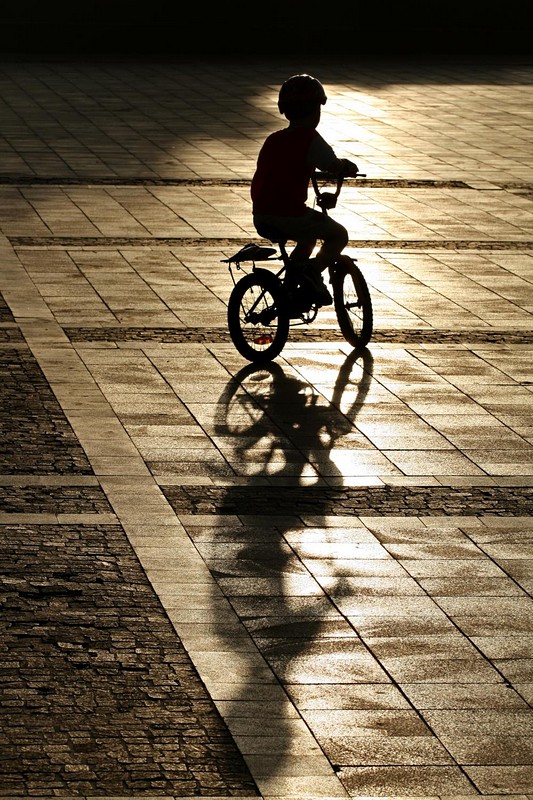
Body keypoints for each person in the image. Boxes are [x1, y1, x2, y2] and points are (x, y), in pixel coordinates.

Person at [251, 73, 359, 306]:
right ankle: (312, 271)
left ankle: (290, 291)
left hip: (262, 215)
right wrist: (346, 167)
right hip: (289, 214)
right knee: (339, 235)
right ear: (315, 110)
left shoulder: (273, 139)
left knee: (307, 239)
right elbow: (331, 164)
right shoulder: (309, 139)